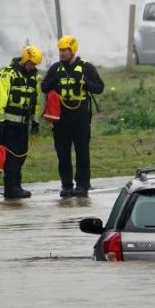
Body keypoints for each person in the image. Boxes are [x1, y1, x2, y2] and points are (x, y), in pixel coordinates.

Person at [40, 35, 105, 198]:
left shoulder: (86, 68)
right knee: (63, 154)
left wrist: (85, 82)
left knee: (82, 152)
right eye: (60, 50)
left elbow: (99, 87)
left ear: (72, 50)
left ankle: (83, 185)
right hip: (61, 120)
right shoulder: (55, 69)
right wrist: (52, 81)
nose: (61, 53)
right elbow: (43, 87)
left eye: (64, 50)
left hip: (80, 118)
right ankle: (67, 185)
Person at [0, 46, 42, 200]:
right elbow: (1, 98)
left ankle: (14, 187)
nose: (32, 67)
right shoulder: (9, 73)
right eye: (31, 64)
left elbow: (37, 101)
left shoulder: (34, 78)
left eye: (34, 65)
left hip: (23, 125)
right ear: (25, 59)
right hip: (8, 124)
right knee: (12, 157)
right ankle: (12, 189)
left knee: (21, 155)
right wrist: (0, 122)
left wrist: (35, 122)